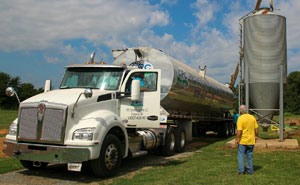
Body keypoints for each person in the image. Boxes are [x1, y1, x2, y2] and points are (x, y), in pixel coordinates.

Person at [235, 105, 258, 175]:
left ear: (240, 111)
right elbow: (256, 129)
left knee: (241, 155)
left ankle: (241, 171)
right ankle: (250, 171)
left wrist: (236, 138)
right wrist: (256, 136)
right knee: (249, 156)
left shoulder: (240, 118)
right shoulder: (252, 117)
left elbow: (239, 130)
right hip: (251, 140)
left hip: (243, 141)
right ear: (246, 110)